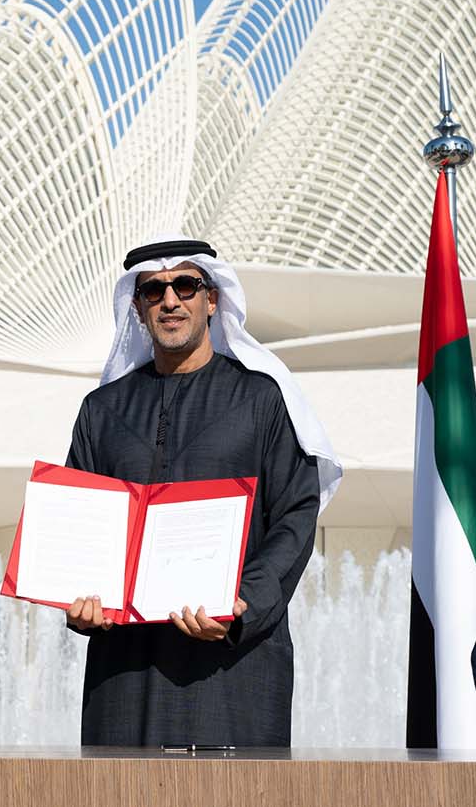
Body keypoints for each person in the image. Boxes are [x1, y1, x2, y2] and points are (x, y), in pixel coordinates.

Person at [63, 237, 342, 747]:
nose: (170, 300)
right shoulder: (102, 411)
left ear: (212, 300)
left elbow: (295, 517)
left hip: (233, 663)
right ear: (138, 307)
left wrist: (243, 605)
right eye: (154, 291)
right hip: (127, 668)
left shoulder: (261, 399)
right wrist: (78, 602)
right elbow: (80, 523)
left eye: (186, 286)